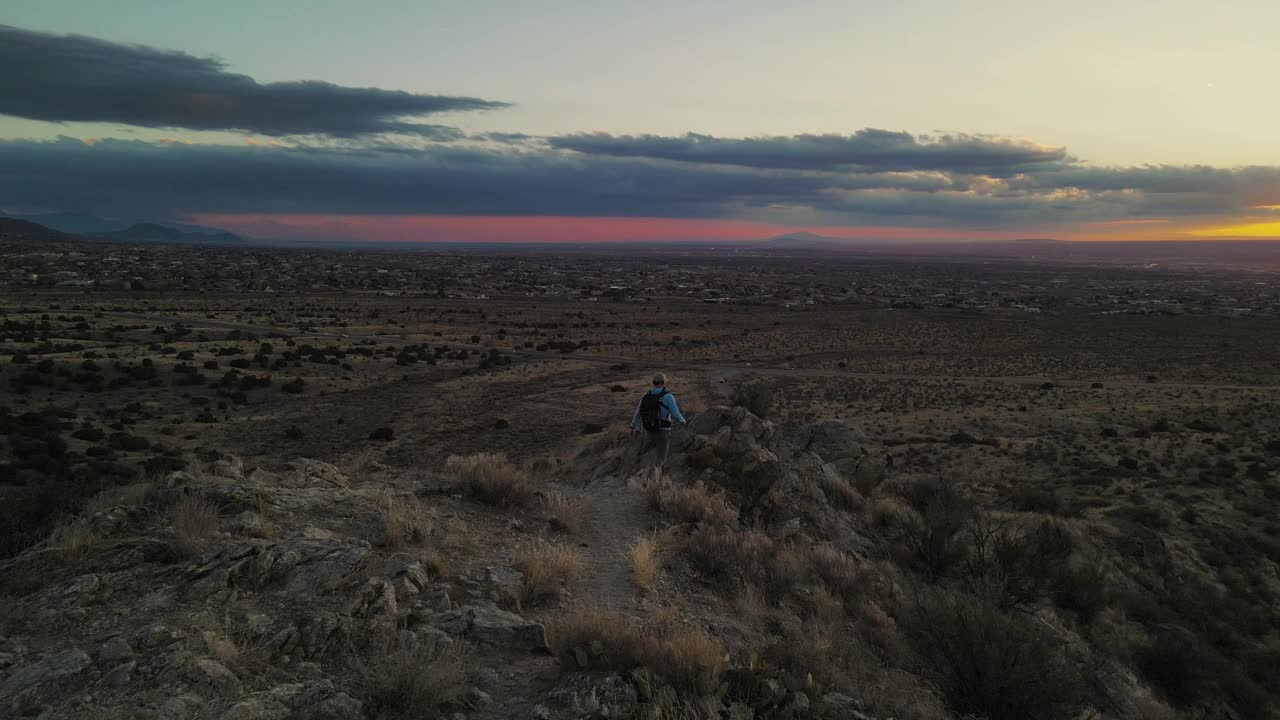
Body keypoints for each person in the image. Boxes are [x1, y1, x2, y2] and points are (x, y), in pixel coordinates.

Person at [630, 372, 687, 480]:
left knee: (656, 454)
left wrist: (632, 426)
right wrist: (683, 421)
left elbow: (638, 412)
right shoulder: (668, 396)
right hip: (664, 431)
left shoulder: (646, 395)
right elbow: (675, 414)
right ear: (663, 383)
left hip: (650, 430)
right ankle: (653, 481)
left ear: (653, 383)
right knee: (661, 458)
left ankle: (653, 477)